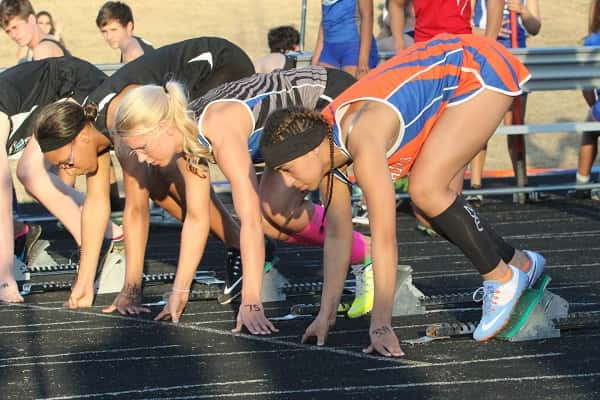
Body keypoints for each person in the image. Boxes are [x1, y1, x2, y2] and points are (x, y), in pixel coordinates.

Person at [259, 34, 546, 355]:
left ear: (308, 151)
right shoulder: (328, 151)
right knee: (429, 205)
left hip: (478, 67)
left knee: (426, 190)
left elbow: (384, 239)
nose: (287, 181)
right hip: (454, 73)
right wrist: (325, 316)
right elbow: (338, 237)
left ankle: (502, 278)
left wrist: (381, 325)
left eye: (286, 169)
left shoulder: (361, 141)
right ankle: (519, 263)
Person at [110, 66, 378, 328]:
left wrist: (251, 302)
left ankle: (368, 254)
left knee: (271, 211)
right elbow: (196, 218)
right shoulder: (187, 139)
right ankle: (364, 251)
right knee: (271, 217)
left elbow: (248, 220)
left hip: (328, 97)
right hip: (283, 128)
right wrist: (179, 291)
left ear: (164, 127)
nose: (142, 159)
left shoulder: (217, 128)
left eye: (142, 148)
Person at [34, 38, 258, 320]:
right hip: (191, 78)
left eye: (67, 162)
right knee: (156, 183)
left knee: (171, 168)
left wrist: (132, 288)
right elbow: (96, 206)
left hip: (221, 65)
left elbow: (136, 210)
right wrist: (84, 282)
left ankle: (244, 247)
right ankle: (239, 243)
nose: (69, 171)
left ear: (80, 137)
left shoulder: (119, 125)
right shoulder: (94, 132)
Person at [0, 57, 112, 303]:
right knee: (29, 172)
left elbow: (2, 197)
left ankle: (99, 240)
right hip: (50, 92)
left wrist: (5, 280)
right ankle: (109, 234)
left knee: (30, 172)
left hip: (73, 85)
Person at [469, 0, 542, 204]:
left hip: (516, 62)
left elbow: (535, 27)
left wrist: (523, 11)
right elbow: (464, 25)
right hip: (487, 61)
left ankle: (521, 182)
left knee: (515, 125)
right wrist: (486, 30)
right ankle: (476, 185)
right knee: (479, 127)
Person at [312, 0, 379, 79]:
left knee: (351, 89)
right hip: (328, 49)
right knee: (321, 88)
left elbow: (367, 16)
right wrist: (315, 60)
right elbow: (325, 20)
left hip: (355, 48)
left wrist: (363, 64)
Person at [575, 0, 600, 200]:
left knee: (590, 129)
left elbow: (586, 86)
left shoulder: (592, 41)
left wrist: (593, 105)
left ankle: (581, 182)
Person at [0, 0, 70, 63]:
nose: (13, 35)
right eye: (8, 31)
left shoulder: (43, 50)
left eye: (15, 27)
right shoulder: (46, 45)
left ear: (31, 19)